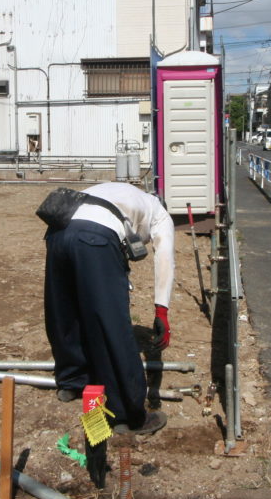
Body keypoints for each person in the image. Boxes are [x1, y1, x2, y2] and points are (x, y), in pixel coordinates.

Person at [43, 181, 174, 435]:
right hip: (96, 238)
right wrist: (161, 310)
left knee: (64, 311)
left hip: (58, 232)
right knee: (111, 324)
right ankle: (128, 414)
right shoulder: (160, 213)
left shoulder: (120, 191)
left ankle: (72, 381)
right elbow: (165, 256)